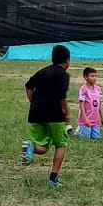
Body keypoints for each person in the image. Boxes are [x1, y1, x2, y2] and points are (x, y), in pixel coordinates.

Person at [22, 45, 71, 189]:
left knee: (43, 148)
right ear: (67, 60)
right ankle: (52, 180)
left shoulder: (43, 71)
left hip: (35, 113)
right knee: (60, 145)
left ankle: (30, 147)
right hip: (54, 115)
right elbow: (62, 97)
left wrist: (34, 102)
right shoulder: (63, 75)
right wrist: (67, 114)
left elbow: (28, 86)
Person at [75, 67, 103, 140]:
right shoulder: (83, 89)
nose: (94, 78)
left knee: (96, 138)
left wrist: (102, 118)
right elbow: (81, 106)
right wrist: (85, 119)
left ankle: (81, 130)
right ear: (86, 77)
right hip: (86, 119)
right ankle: (77, 131)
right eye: (92, 76)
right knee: (86, 138)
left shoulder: (98, 89)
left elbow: (100, 105)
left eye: (96, 76)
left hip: (95, 120)